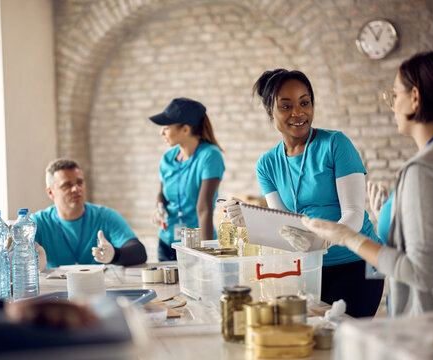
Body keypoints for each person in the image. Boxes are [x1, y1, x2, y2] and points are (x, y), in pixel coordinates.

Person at [303, 50, 433, 316]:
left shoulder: (425, 170)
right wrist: (392, 218)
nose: (392, 105)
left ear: (414, 98)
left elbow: (421, 272)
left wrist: (348, 238)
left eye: (395, 95)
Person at [223, 70, 383, 318]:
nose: (298, 113)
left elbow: (353, 212)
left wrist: (324, 240)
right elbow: (284, 225)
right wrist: (250, 219)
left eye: (304, 103)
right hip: (308, 268)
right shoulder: (267, 164)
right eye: (286, 106)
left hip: (358, 262)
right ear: (270, 112)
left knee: (346, 339)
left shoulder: (335, 144)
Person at [32, 158, 147, 268]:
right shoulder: (37, 222)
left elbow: (139, 252)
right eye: (67, 185)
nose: (76, 189)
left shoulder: (105, 216)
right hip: (55, 287)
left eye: (79, 182)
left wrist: (114, 255)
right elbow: (16, 254)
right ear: (50, 192)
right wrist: (32, 261)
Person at [149, 98, 225, 261]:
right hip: (166, 243)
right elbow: (161, 194)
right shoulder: (168, 158)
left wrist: (207, 253)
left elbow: (204, 207)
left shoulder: (210, 156)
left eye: (167, 127)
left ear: (185, 129)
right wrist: (160, 207)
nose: (161, 132)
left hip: (197, 245)